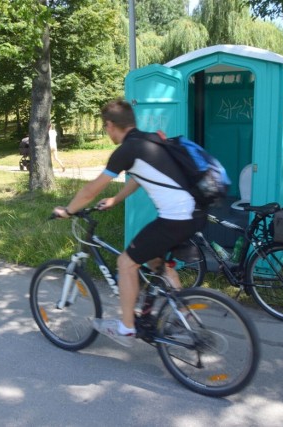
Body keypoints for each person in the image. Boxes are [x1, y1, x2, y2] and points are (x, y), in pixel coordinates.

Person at [52, 99, 205, 348]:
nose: (106, 131)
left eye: (105, 127)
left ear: (111, 125)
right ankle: (182, 319)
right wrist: (115, 198)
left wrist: (68, 210)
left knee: (125, 262)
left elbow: (91, 190)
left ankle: (126, 327)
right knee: (156, 261)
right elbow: (138, 177)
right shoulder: (152, 139)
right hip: (195, 212)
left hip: (176, 217)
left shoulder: (126, 150)